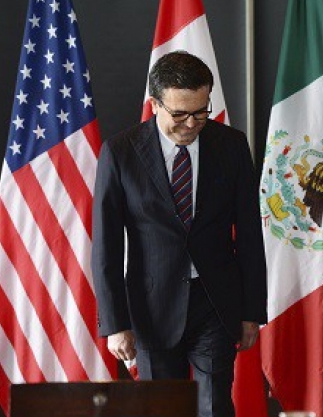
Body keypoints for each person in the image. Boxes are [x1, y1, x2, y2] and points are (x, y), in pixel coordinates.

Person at [92, 51, 266, 417]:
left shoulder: (232, 145)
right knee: (161, 409)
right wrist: (115, 323)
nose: (191, 123)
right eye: (180, 113)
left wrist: (253, 310)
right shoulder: (120, 153)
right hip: (151, 306)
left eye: (201, 111)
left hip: (215, 302)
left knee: (214, 406)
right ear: (155, 104)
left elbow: (250, 233)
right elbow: (106, 247)